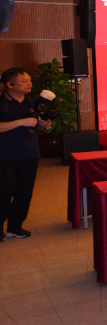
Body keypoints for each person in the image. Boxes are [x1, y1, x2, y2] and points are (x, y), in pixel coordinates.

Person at [0, 68, 51, 238]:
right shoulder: (1, 102)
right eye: (24, 81)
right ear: (10, 84)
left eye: (29, 80)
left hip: (29, 153)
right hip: (5, 155)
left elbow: (36, 123)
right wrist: (20, 122)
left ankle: (15, 226)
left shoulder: (32, 102)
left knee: (24, 192)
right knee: (5, 191)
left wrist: (44, 125)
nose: (29, 84)